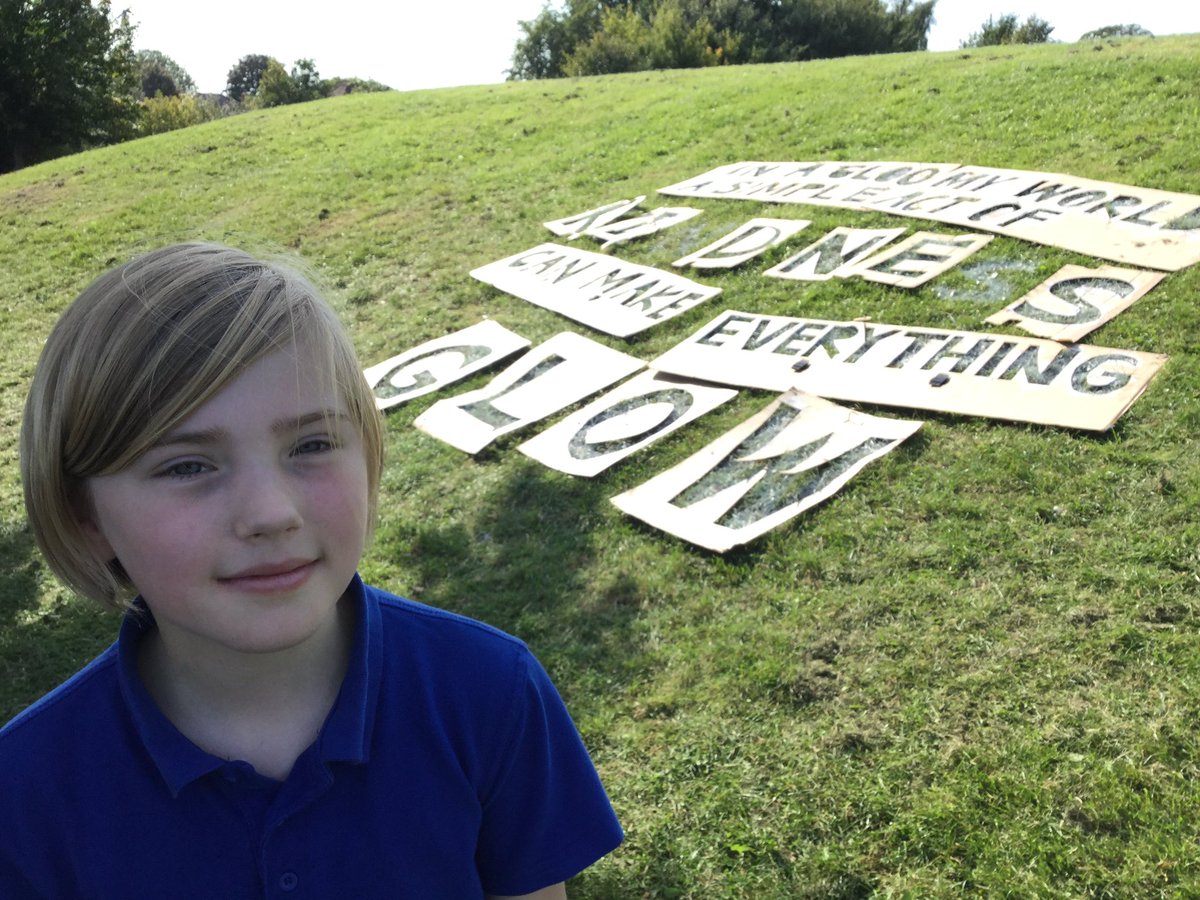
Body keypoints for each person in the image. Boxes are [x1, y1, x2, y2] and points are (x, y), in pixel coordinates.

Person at [0, 242, 623, 899]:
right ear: (87, 517)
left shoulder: (489, 691)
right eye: (187, 466)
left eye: (313, 444)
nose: (270, 514)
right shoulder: (24, 794)